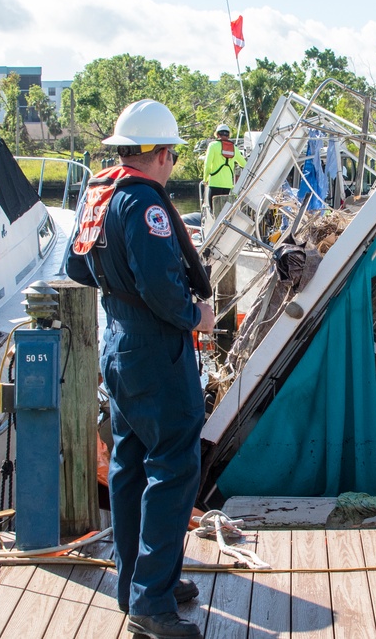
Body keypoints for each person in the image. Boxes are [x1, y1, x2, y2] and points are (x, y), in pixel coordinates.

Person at [67, 99, 215, 639]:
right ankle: (151, 603)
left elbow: (74, 265)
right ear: (160, 154)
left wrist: (119, 289)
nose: (172, 164)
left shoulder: (98, 195)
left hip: (118, 344)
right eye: (172, 155)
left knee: (130, 463)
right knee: (174, 466)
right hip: (155, 349)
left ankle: (140, 580)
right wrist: (193, 314)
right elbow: (161, 286)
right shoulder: (144, 206)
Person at [202, 123, 246, 212]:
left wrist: (205, 179)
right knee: (224, 212)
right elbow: (244, 164)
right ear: (229, 135)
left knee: (214, 211)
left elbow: (207, 165)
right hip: (228, 185)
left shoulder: (212, 145)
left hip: (214, 183)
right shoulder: (234, 148)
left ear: (217, 134)